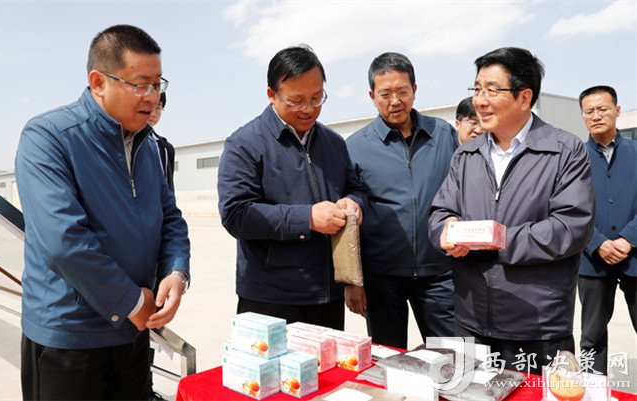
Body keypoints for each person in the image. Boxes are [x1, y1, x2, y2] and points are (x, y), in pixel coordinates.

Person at [15, 25, 190, 400]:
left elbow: (171, 219)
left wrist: (176, 272)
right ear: (98, 82)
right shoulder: (49, 137)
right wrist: (132, 301)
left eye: (157, 84)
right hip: (70, 339)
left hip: (133, 333)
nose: (152, 97)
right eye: (140, 85)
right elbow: (63, 241)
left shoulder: (146, 147)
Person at [428, 47, 594, 374]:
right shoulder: (466, 155)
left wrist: (501, 239)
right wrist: (445, 230)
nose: (480, 100)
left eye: (492, 90)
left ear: (524, 97)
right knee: (470, 393)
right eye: (477, 89)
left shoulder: (564, 150)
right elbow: (439, 211)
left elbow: (572, 226)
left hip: (536, 323)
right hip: (471, 319)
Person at [217, 45, 367, 330]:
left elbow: (356, 188)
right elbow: (236, 215)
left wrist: (354, 202)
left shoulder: (334, 143)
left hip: (327, 296)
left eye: (317, 97)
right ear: (271, 94)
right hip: (269, 297)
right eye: (296, 100)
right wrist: (307, 218)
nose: (309, 109)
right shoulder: (244, 144)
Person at [344, 52, 457, 349]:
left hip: (440, 272)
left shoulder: (444, 134)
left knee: (458, 358)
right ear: (372, 96)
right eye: (385, 94)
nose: (395, 101)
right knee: (387, 359)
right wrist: (353, 281)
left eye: (402, 91)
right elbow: (348, 220)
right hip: (382, 277)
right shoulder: (355, 148)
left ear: (415, 90)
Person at [578, 85, 636, 374]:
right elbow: (567, 208)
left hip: (635, 256)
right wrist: (597, 242)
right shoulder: (573, 157)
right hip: (592, 260)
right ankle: (593, 389)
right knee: (592, 336)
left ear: (617, 110)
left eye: (603, 109)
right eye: (589, 111)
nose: (596, 115)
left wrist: (629, 238)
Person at [148, 92, 176, 191]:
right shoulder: (125, 141)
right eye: (150, 105)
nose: (153, 113)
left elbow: (169, 187)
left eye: (158, 107)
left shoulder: (166, 148)